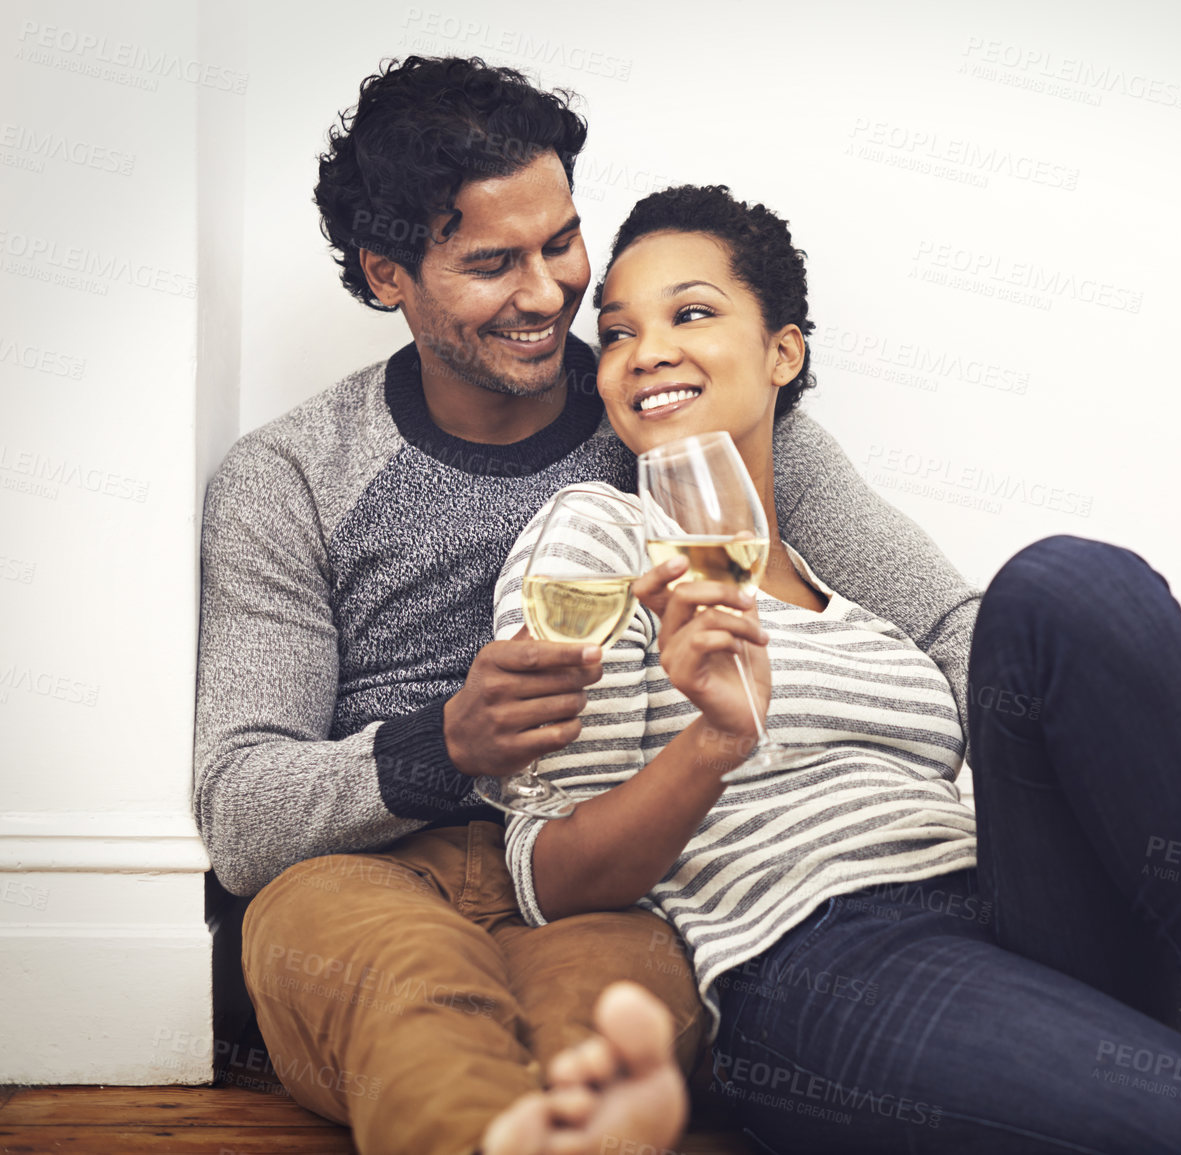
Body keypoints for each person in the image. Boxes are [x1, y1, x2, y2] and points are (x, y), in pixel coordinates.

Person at [193, 57, 982, 1155]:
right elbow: (240, 810)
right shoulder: (290, 477)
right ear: (387, 274)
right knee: (422, 1019)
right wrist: (443, 744)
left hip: (605, 877)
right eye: (490, 263)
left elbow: (956, 632)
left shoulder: (675, 409)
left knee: (604, 1056)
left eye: (560, 241)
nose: (549, 293)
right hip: (362, 873)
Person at [495, 184, 1181, 1153]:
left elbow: (1026, 687)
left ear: (782, 352)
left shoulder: (858, 590)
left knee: (1067, 585)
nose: (646, 351)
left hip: (1013, 912)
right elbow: (550, 877)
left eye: (692, 313)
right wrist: (716, 739)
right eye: (617, 334)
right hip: (824, 959)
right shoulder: (597, 534)